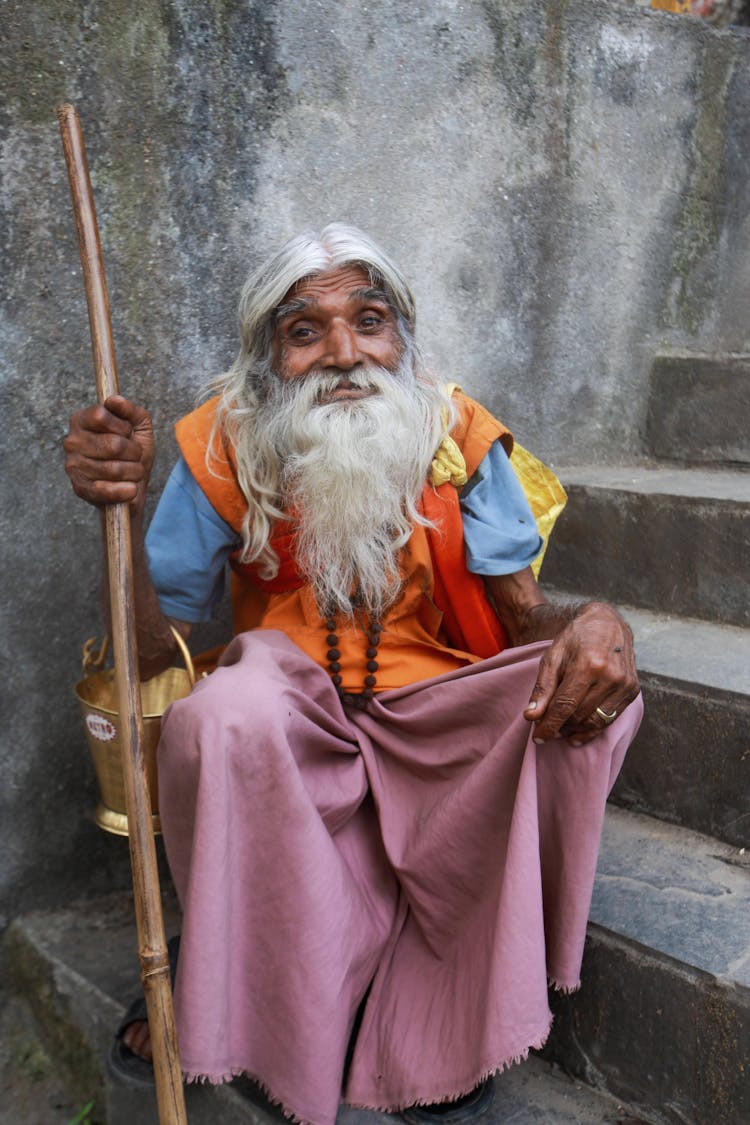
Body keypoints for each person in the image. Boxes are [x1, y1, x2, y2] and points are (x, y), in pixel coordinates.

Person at [64, 223, 642, 1125]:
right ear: (269, 357)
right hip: (291, 713)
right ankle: (250, 989)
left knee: (592, 703)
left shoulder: (455, 433)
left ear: (402, 339)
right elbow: (148, 651)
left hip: (434, 716)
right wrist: (121, 506)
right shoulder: (226, 439)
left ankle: (438, 1009)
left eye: (368, 321)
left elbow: (528, 622)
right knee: (220, 714)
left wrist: (601, 624)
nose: (343, 353)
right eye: (306, 331)